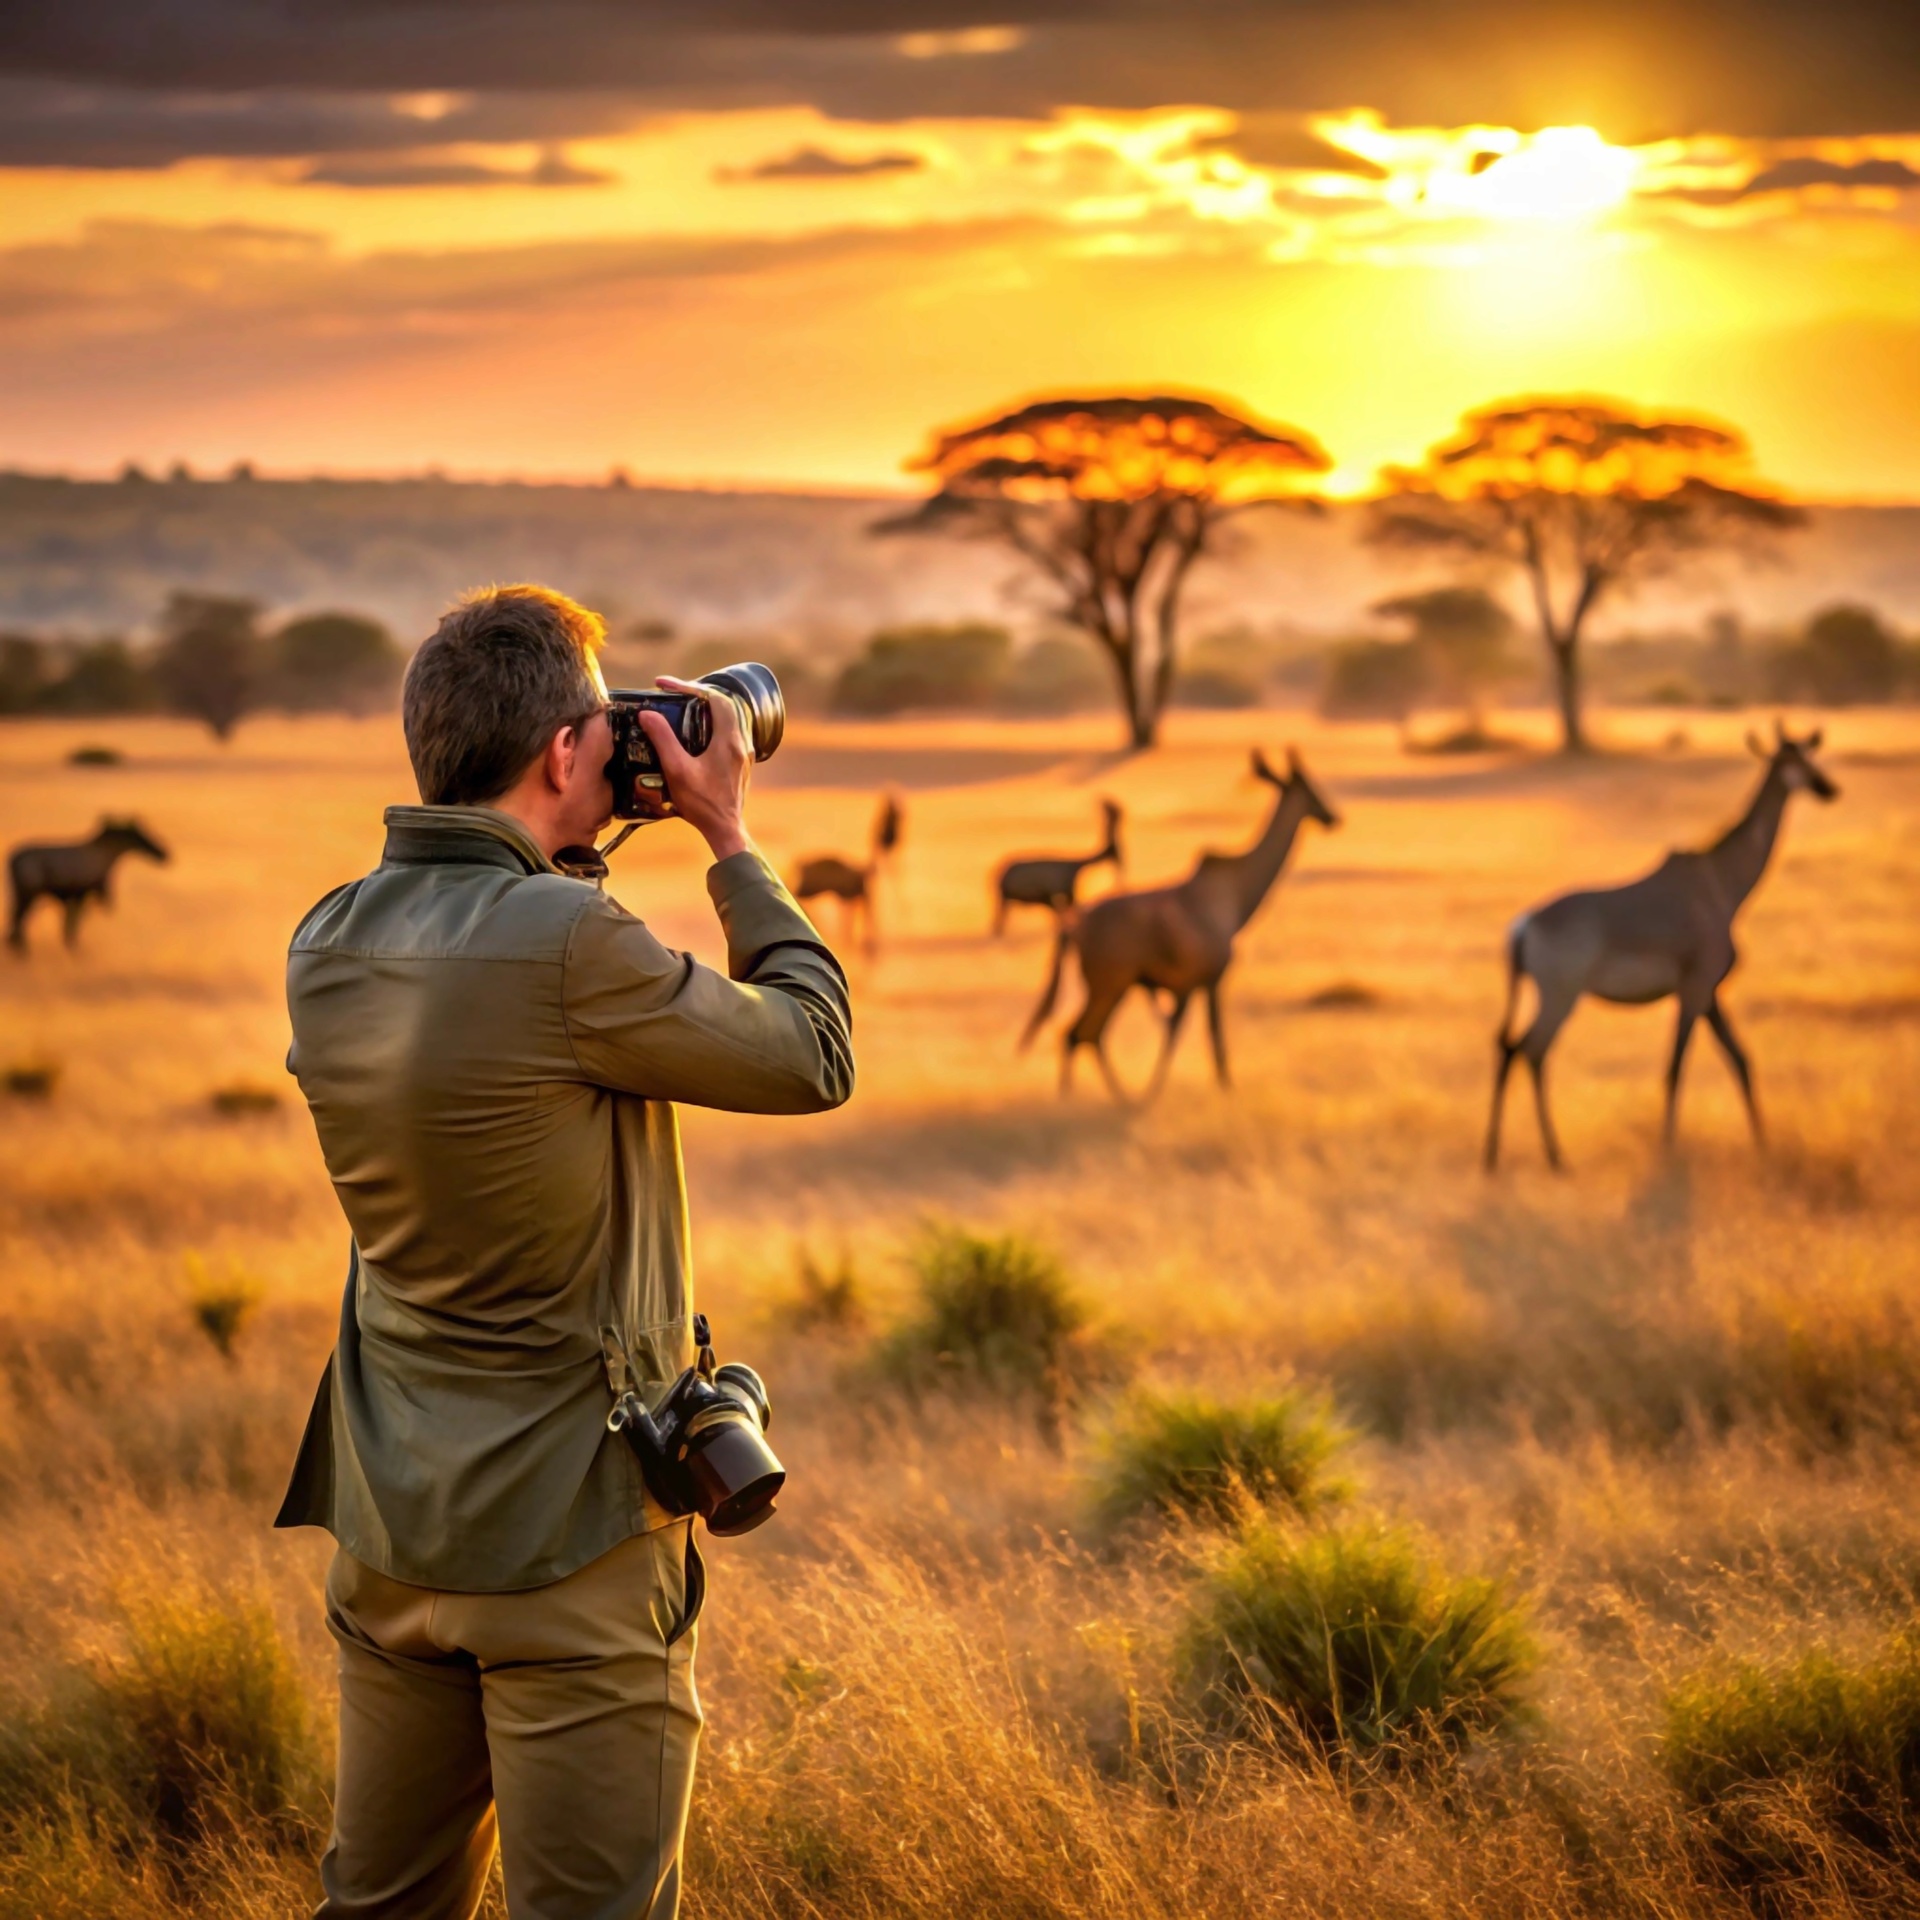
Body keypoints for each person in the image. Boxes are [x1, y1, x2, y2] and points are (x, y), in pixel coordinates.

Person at [275, 584, 853, 1919]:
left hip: (393, 1534)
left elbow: (503, 965)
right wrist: (726, 831)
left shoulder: (329, 933)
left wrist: (576, 840)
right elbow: (814, 1053)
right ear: (561, 753)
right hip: (568, 1549)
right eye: (603, 725)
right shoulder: (573, 945)